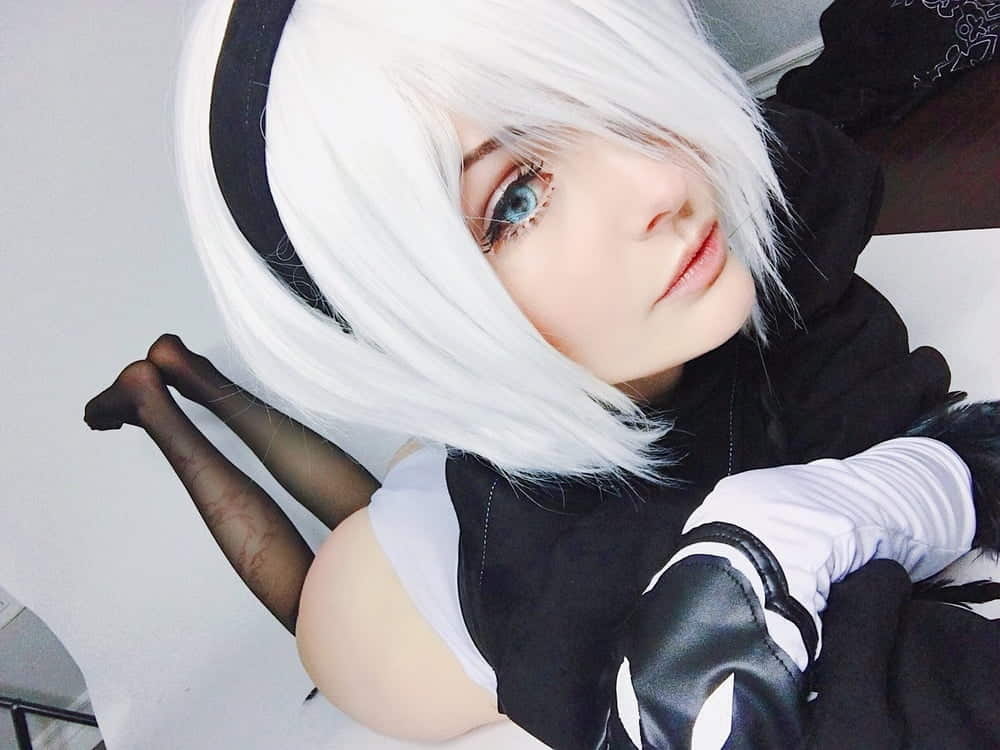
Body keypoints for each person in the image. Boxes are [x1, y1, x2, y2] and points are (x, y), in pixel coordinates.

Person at [85, 0, 1000, 747]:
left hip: (530, 448)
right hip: (395, 611)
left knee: (375, 502)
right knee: (311, 589)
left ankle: (184, 377)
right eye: (516, 199)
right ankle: (165, 403)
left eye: (611, 91)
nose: (663, 181)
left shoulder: (753, 244)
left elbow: (884, 421)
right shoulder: (571, 596)